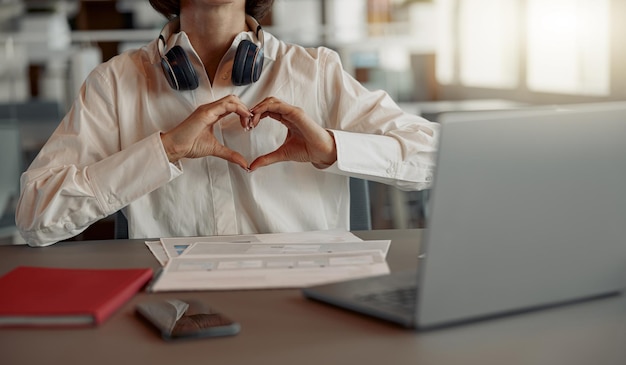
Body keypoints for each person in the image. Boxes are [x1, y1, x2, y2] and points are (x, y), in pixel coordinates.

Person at [16, 0, 438, 247]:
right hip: (179, 315)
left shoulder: (317, 72)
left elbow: (434, 157)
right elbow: (35, 217)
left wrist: (332, 148)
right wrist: (163, 151)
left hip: (305, 309)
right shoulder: (114, 83)